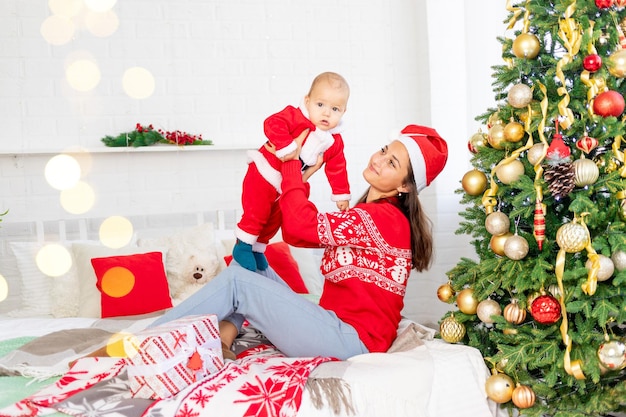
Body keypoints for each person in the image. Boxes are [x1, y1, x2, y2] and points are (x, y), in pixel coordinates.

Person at [149, 124, 448, 361]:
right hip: (333, 325)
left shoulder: (385, 218)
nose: (379, 159)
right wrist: (301, 177)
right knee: (249, 263)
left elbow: (300, 226)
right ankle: (224, 337)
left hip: (352, 341)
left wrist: (291, 166)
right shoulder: (367, 214)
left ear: (405, 185)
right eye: (384, 150)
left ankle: (143, 341)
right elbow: (296, 233)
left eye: (392, 162)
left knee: (238, 282)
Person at [233, 72, 352, 272]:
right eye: (320, 105)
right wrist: (286, 146)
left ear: (343, 111)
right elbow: (272, 123)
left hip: (287, 184)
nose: (326, 113)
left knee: (275, 218)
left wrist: (341, 194)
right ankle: (243, 245)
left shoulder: (334, 141)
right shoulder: (295, 116)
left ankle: (258, 249)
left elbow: (337, 167)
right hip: (264, 172)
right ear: (308, 101)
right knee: (258, 211)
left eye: (335, 109)